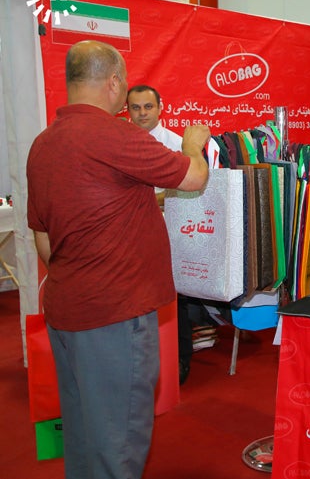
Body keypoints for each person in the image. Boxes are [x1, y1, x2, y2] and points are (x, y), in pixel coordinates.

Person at [26, 40, 210, 479]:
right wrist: (193, 144)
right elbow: (194, 177)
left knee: (84, 432)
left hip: (67, 309)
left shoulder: (42, 144)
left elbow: (42, 238)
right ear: (113, 83)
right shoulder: (116, 135)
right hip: (115, 315)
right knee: (118, 442)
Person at [126, 84, 193, 386]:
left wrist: (146, 201)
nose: (142, 113)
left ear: (160, 108)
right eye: (135, 107)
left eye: (148, 107)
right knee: (135, 299)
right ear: (127, 111)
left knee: (174, 299)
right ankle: (139, 362)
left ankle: (179, 361)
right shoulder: (120, 144)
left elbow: (186, 190)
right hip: (129, 236)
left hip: (169, 234)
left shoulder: (178, 145)